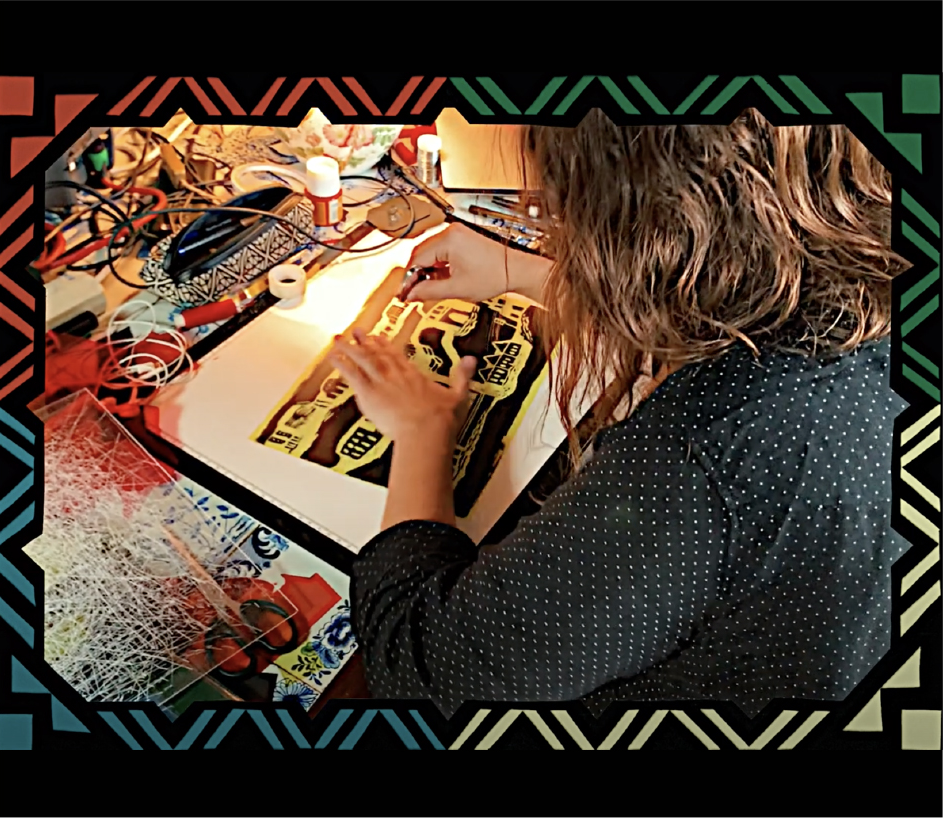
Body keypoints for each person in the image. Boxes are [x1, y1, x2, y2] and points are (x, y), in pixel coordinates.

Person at [328, 109, 911, 719]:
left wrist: (421, 430)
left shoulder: (695, 462)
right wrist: (528, 274)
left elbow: (424, 673)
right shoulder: (872, 291)